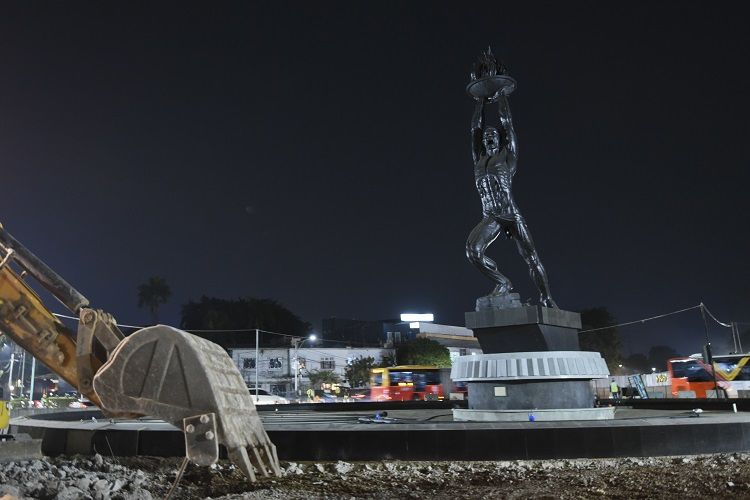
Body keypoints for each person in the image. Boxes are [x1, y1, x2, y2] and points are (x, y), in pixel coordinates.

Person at [466, 89, 557, 308]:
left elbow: (508, 125)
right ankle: (503, 283)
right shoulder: (478, 159)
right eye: (486, 137)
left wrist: (501, 96)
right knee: (473, 251)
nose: (488, 137)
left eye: (492, 135)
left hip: (510, 213)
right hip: (491, 215)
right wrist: (479, 102)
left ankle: (546, 298)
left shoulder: (507, 156)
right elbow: (474, 129)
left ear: (498, 139)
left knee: (531, 257)